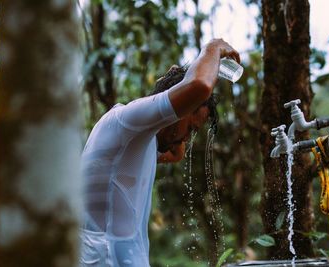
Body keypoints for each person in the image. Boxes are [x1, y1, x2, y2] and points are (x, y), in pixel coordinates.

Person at [79, 38, 240, 267]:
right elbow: (200, 86)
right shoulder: (124, 122)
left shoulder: (140, 144)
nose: (186, 139)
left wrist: (171, 84)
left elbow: (177, 154)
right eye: (191, 129)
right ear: (178, 111)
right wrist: (213, 48)